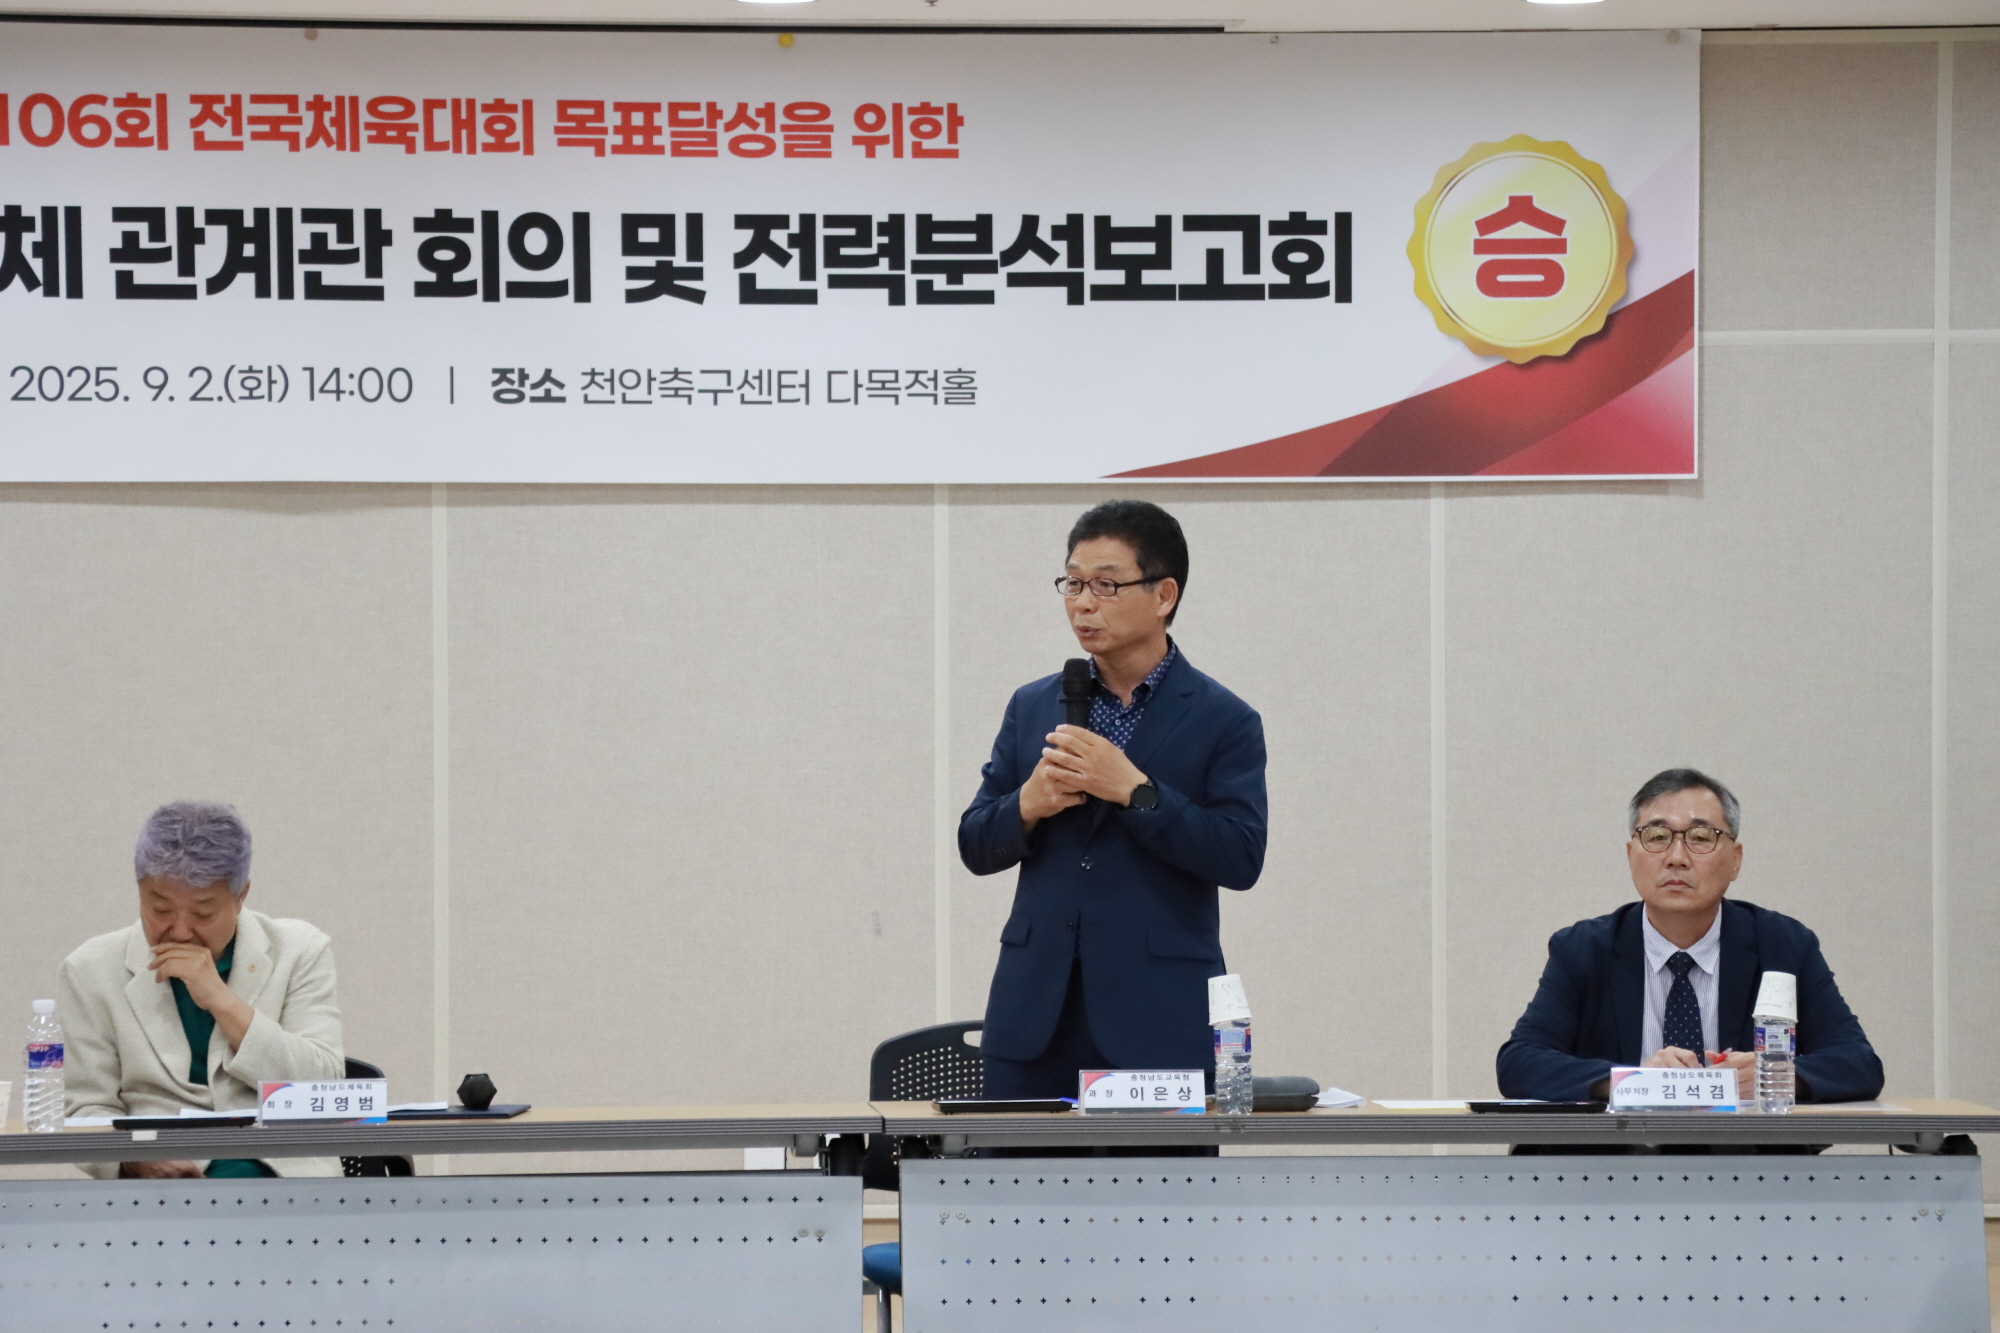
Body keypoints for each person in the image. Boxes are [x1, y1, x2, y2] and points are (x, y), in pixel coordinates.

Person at [960, 500, 1268, 1111]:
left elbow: (1239, 857)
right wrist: (1027, 804)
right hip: (1034, 1018)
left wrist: (1136, 791)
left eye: (1105, 585)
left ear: (1163, 595)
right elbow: (975, 843)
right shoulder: (1034, 704)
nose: (1082, 603)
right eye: (1072, 583)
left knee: (1158, 1180)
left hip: (1158, 1019)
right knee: (1016, 1176)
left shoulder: (1224, 718)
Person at [1497, 769, 1883, 1107]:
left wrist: (1773, 1076)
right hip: (1614, 1160)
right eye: (1657, 836)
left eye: (1700, 837)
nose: (1677, 857)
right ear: (1631, 855)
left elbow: (1859, 1062)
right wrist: (1633, 1081)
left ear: (1735, 859)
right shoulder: (1583, 950)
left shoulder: (1783, 944)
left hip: (1747, 1161)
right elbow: (1519, 1063)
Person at [58, 801, 345, 1178]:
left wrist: (223, 1002)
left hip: (285, 1180)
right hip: (161, 1194)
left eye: (203, 914)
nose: (180, 932)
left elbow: (325, 1087)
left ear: (241, 896)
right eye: (160, 910)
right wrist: (136, 1156)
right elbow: (85, 1111)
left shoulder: (300, 950)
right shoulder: (90, 969)